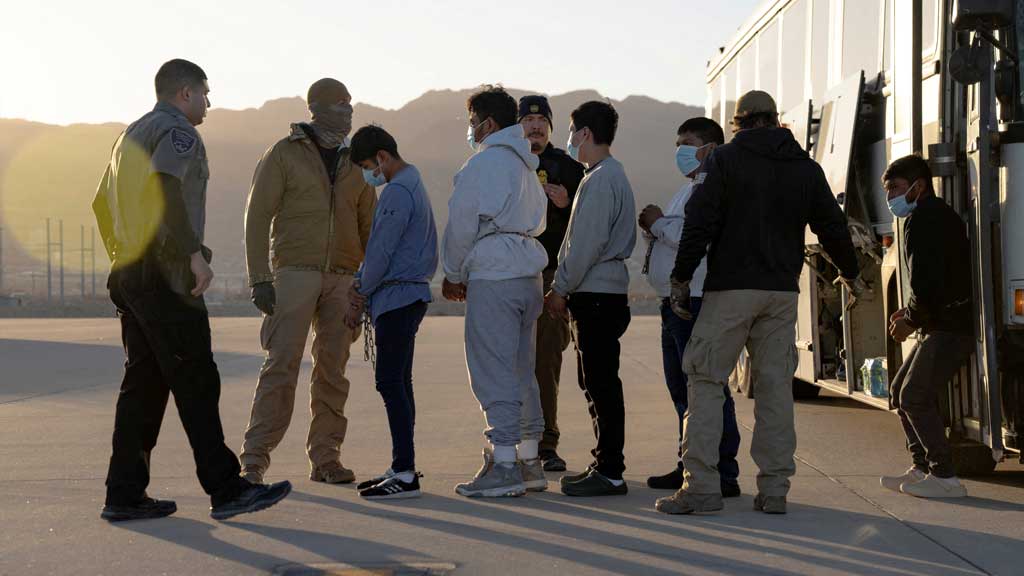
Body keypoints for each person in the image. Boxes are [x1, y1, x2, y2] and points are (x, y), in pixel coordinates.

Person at [92, 59, 291, 522]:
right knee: (196, 378)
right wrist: (190, 254)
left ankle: (123, 493)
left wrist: (122, 255)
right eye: (205, 93)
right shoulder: (177, 132)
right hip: (164, 274)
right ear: (184, 92)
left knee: (144, 385)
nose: (208, 102)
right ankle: (226, 489)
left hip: (131, 272)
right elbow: (166, 187)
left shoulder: (129, 136)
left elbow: (101, 203)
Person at [657, 90, 864, 515]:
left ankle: (701, 488)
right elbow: (832, 226)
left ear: (739, 124)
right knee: (774, 390)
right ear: (773, 121)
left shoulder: (724, 162)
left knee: (706, 379)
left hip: (731, 289)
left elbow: (700, 222)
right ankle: (774, 490)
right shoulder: (805, 168)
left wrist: (680, 277)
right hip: (782, 293)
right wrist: (852, 273)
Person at [241, 78, 377, 486]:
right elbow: (257, 216)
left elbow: (369, 223)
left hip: (343, 278)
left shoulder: (358, 162)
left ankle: (326, 458)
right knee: (281, 365)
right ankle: (254, 461)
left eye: (351, 103)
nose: (348, 110)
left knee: (333, 370)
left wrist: (368, 282)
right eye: (339, 103)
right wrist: (260, 277)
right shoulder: (284, 154)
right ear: (316, 107)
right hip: (293, 274)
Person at [442, 85, 549, 498]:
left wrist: (453, 273)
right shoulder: (526, 165)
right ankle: (528, 460)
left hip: (495, 273)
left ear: (487, 123)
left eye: (472, 123)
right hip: (528, 273)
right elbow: (539, 219)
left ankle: (503, 464)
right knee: (522, 369)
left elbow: (462, 225)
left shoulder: (482, 165)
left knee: (492, 370)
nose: (471, 131)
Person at [639, 117, 741, 497]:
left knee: (705, 388)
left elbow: (693, 237)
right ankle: (691, 462)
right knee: (682, 390)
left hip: (694, 300)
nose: (680, 150)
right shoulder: (689, 189)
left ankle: (722, 471)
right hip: (674, 302)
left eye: (689, 142)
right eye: (678, 143)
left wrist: (659, 224)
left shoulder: (713, 188)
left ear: (711, 148)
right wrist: (657, 227)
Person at [545, 100, 637, 497]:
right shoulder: (604, 175)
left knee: (600, 383)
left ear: (584, 133)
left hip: (597, 294)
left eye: (572, 131)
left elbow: (583, 246)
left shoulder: (601, 180)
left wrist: (560, 287)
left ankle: (610, 470)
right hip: (603, 292)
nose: (569, 140)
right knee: (597, 381)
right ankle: (605, 464)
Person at [343, 125, 438, 500]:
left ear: (382, 158)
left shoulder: (397, 191)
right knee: (401, 381)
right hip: (409, 295)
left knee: (389, 382)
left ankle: (404, 471)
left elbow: (381, 251)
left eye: (368, 166)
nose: (370, 175)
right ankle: (403, 464)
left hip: (397, 296)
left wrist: (359, 290)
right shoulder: (413, 181)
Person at [879, 155, 972, 498]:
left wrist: (909, 320)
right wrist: (911, 311)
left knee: (913, 396)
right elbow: (936, 281)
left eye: (897, 189)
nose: (892, 198)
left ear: (919, 185)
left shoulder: (925, 220)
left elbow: (927, 284)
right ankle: (921, 468)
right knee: (899, 391)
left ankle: (944, 477)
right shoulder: (931, 215)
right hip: (941, 321)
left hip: (950, 325)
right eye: (888, 191)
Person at [519, 95, 585, 472]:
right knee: (508, 363)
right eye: (528, 121)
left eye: (542, 120)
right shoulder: (508, 162)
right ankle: (509, 441)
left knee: (546, 362)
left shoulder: (568, 166)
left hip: (549, 276)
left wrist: (567, 202)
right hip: (510, 273)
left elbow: (589, 216)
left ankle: (546, 443)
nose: (535, 126)